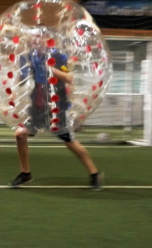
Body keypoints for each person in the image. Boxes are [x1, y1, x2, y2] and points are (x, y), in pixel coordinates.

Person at [10, 47, 103, 190]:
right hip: (38, 108)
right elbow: (22, 81)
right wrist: (19, 69)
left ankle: (94, 174)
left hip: (56, 108)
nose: (36, 40)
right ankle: (25, 173)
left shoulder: (58, 56)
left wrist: (51, 69)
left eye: (39, 37)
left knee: (70, 143)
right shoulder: (30, 57)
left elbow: (69, 78)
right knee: (20, 135)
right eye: (34, 37)